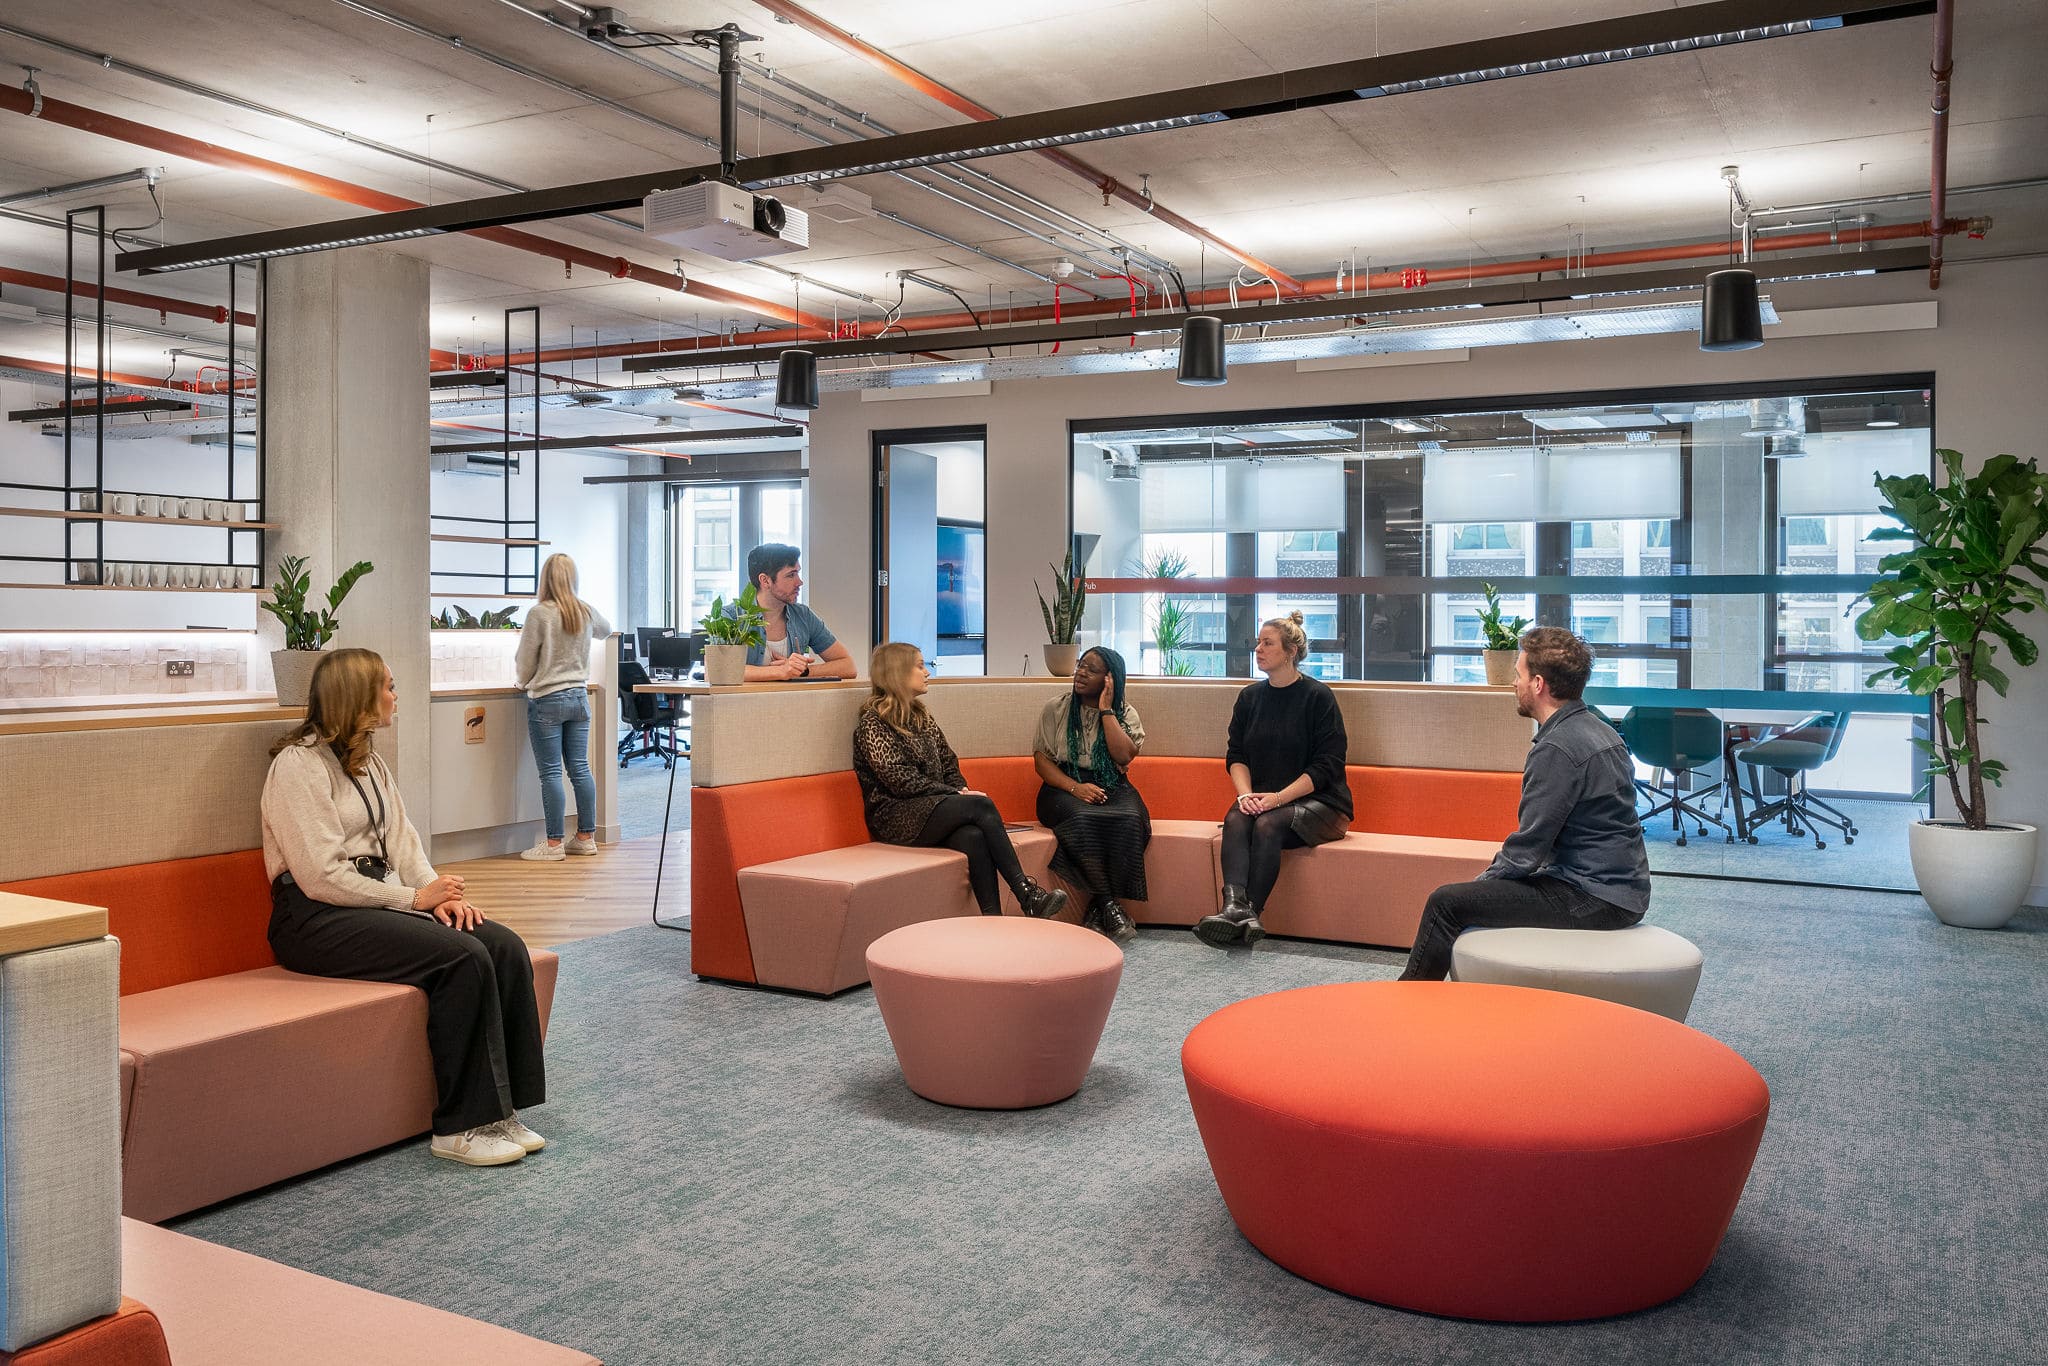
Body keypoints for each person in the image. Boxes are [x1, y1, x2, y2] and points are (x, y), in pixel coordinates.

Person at [261, 648, 547, 1168]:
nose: (396, 696)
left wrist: (441, 896)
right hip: (313, 917)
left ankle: (501, 1110)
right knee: (461, 957)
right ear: (357, 697)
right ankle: (459, 1127)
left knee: (502, 945)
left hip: (373, 902)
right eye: (388, 686)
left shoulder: (369, 762)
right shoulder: (297, 766)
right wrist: (414, 900)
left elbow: (404, 843)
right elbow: (321, 876)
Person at [1397, 627, 1650, 981]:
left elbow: (1526, 851)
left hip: (1594, 897)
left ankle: (1409, 1000)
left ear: (1538, 684)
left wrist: (1480, 886)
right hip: (1622, 890)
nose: (1514, 684)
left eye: (1519, 675)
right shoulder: (1601, 730)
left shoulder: (1557, 748)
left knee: (1446, 902)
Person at [854, 641, 1068, 920]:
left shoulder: (922, 717)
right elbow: (900, 780)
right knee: (980, 805)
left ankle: (993, 920)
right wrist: (955, 795)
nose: (927, 672)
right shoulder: (873, 722)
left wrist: (959, 788)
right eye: (920, 666)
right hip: (894, 815)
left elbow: (948, 762)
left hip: (931, 807)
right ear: (898, 672)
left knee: (973, 836)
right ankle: (1026, 894)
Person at [1195, 611, 1353, 949]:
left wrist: (1277, 799)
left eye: (1267, 643)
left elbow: (1327, 766)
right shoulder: (1249, 698)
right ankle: (1235, 909)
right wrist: (1246, 796)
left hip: (1322, 804)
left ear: (1291, 652)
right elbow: (1236, 756)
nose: (1258, 649)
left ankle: (1250, 912)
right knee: (1237, 817)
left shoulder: (1318, 697)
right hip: (1266, 800)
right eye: (1258, 643)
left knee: (1267, 824)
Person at [1033, 646, 1149, 944]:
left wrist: (1106, 710)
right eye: (1081, 665)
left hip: (1111, 782)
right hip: (1062, 786)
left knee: (1132, 818)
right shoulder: (1056, 708)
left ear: (1110, 679)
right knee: (1082, 817)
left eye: (1091, 669)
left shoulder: (1125, 713)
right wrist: (1075, 788)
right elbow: (1042, 762)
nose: (1081, 673)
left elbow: (1123, 756)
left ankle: (1098, 911)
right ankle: (1109, 904)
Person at [515, 552, 611, 861]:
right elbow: (607, 629)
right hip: (579, 698)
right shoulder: (584, 611)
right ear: (572, 579)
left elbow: (525, 660)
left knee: (551, 773)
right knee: (580, 768)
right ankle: (585, 838)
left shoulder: (539, 614)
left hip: (547, 700)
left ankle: (554, 844)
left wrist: (523, 681)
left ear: (545, 578)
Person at [742, 542, 856, 682]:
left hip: (794, 697)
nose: (799, 582)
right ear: (765, 581)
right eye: (791, 575)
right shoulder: (731, 617)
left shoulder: (803, 615)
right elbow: (720, 671)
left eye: (798, 573)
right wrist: (781, 671)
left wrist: (802, 671)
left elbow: (848, 666)